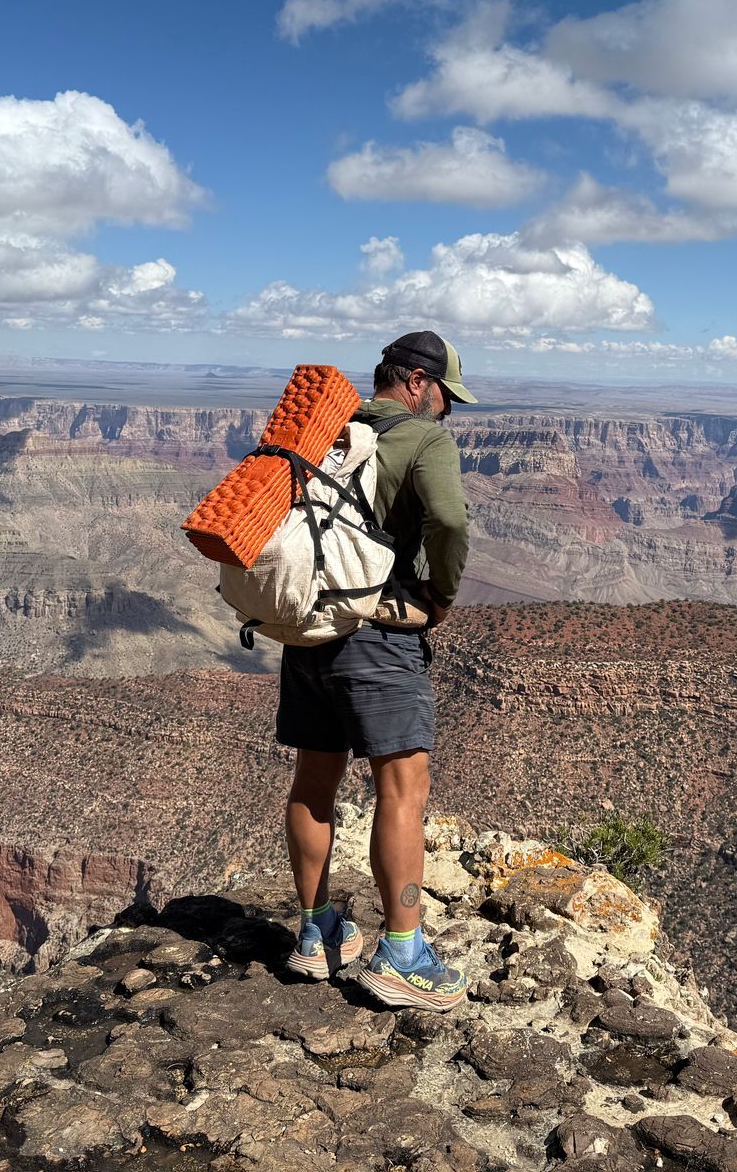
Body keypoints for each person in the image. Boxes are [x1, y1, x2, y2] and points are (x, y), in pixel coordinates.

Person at [277, 330, 477, 1009]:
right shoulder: (422, 441)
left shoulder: (326, 431)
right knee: (402, 791)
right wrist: (440, 599)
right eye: (446, 396)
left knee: (314, 779)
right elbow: (449, 520)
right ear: (419, 383)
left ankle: (315, 931)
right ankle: (402, 953)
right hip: (378, 633)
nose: (447, 411)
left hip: (308, 628)